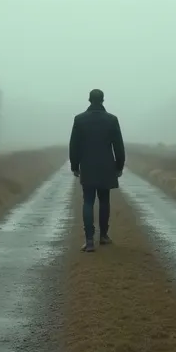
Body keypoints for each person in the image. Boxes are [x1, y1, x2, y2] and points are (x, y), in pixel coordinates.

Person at [68, 88, 125, 252]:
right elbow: (119, 147)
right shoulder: (112, 120)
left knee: (88, 201)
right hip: (107, 166)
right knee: (104, 200)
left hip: (87, 166)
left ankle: (89, 241)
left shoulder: (79, 120)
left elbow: (74, 146)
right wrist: (119, 166)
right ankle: (104, 236)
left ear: (89, 100)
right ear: (103, 100)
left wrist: (75, 166)